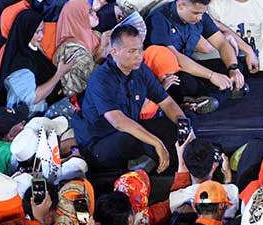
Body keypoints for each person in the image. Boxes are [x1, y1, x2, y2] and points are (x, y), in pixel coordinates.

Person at [70, 24, 185, 174]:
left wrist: (185, 125)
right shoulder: (101, 78)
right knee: (130, 140)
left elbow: (166, 101)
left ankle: (178, 168)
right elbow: (117, 121)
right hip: (101, 141)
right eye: (132, 51)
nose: (139, 55)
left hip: (131, 129)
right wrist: (155, 142)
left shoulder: (140, 70)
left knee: (174, 126)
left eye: (140, 49)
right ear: (114, 52)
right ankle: (147, 165)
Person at [146, 0, 244, 108]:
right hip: (167, 72)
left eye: (202, 13)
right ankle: (218, 93)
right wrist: (211, 76)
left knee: (236, 65)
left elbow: (221, 43)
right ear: (181, 5)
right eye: (196, 13)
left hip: (189, 63)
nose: (199, 18)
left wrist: (233, 68)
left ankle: (210, 96)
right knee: (188, 84)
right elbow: (175, 58)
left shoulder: (201, 16)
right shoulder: (159, 18)